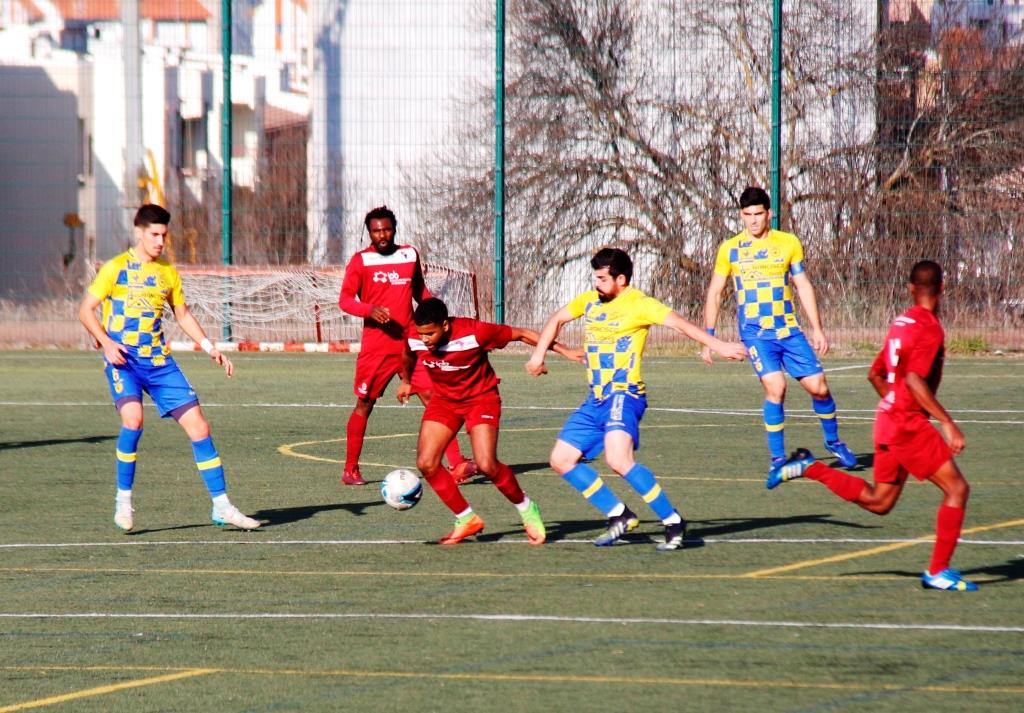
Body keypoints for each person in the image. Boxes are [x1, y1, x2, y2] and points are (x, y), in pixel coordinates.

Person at [767, 260, 977, 591]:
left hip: (888, 420)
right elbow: (914, 380)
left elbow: (875, 373)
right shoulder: (930, 328)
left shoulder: (900, 323)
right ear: (943, 287)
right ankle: (938, 571)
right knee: (957, 489)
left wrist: (893, 403)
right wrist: (947, 423)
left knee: (880, 502)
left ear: (910, 288)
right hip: (907, 424)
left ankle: (809, 467)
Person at [526, 248, 748, 551]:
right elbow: (556, 319)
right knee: (561, 460)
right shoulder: (590, 302)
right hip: (596, 399)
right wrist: (538, 355)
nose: (596, 284)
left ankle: (672, 521)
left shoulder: (640, 304)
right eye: (595, 278)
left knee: (618, 459)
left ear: (622, 279)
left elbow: (681, 324)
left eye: (603, 279)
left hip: (624, 394)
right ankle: (619, 515)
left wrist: (718, 345)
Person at [78, 204, 260, 532]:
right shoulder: (116, 268)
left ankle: (222, 506)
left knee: (200, 428)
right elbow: (86, 310)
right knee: (133, 421)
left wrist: (210, 348)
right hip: (124, 361)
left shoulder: (167, 272)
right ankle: (123, 502)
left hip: (159, 363)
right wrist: (105, 342)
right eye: (155, 234)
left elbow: (183, 314)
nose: (161, 241)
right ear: (139, 233)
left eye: (164, 235)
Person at [701, 186, 858, 482]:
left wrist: (817, 328)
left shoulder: (788, 243)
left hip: (789, 331)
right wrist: (709, 338)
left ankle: (834, 441)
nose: (753, 221)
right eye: (747, 215)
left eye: (758, 214)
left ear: (769, 213)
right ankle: (777, 459)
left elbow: (803, 285)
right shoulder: (730, 249)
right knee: (776, 388)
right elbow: (715, 292)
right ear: (741, 215)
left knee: (820, 388)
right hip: (756, 334)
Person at [398, 298, 581, 545]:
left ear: (445, 325)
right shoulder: (414, 336)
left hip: (480, 399)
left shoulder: (476, 332)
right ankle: (466, 518)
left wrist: (564, 350)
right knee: (427, 463)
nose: (425, 339)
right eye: (421, 334)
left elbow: (523, 334)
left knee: (486, 464)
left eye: (430, 333)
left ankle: (527, 508)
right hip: (444, 401)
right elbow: (408, 354)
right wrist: (407, 380)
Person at [337, 205, 475, 486]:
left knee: (435, 399)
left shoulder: (409, 254)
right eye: (376, 231)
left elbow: (419, 291)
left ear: (394, 229)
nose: (382, 235)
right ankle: (350, 470)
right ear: (369, 233)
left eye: (386, 229)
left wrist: (434, 310)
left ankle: (457, 463)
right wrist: (369, 309)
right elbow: (345, 299)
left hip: (411, 345)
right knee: (365, 404)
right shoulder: (360, 261)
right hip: (376, 349)